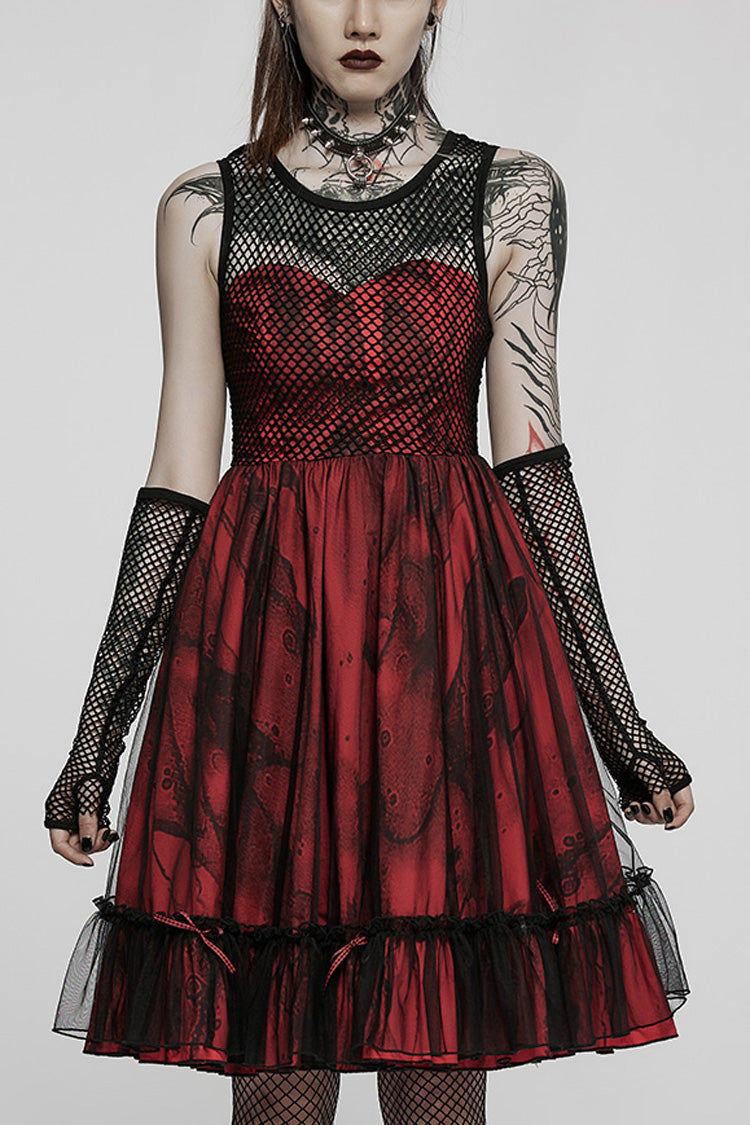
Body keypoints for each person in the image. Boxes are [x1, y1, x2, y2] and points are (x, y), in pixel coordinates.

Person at [43, 2, 695, 1123]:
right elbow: (178, 483)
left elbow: (532, 463)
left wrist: (617, 723)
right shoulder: (205, 208)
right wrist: (94, 742)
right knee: (276, 1052)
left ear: (437, 0)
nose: (360, 16)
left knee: (434, 1031)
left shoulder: (511, 192)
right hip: (269, 651)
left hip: (442, 648)